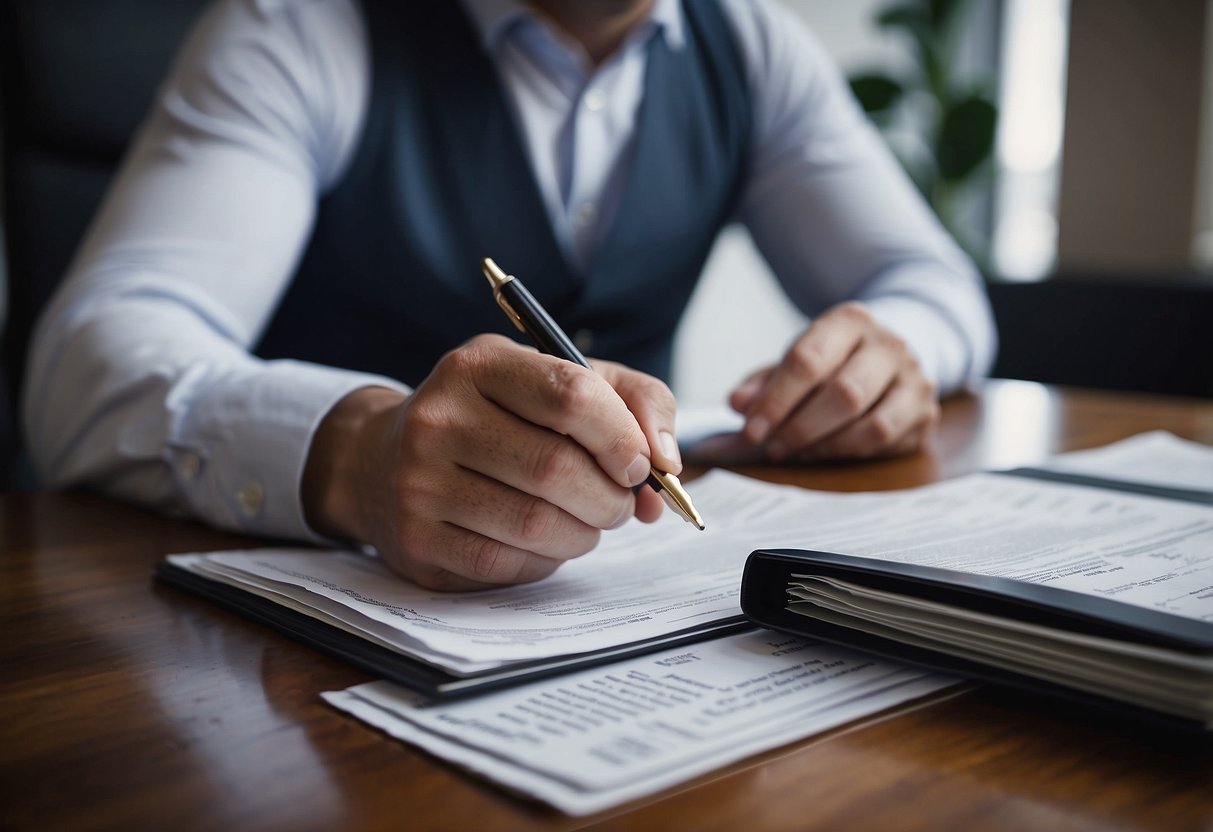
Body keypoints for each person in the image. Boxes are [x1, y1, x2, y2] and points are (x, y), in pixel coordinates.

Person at [23, 0, 996, 590]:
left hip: (644, 634)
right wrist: (357, 453)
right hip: (292, 669)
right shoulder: (304, 29)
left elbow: (933, 285)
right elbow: (83, 365)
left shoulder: (745, 45)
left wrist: (890, 349)